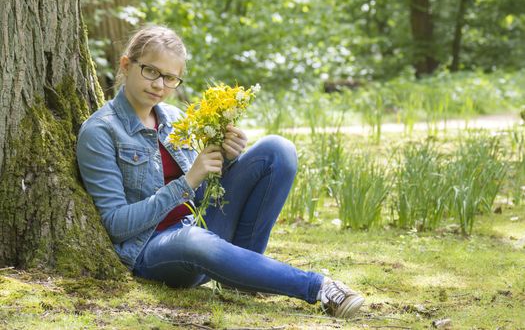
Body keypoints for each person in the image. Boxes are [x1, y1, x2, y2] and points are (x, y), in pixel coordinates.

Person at [76, 24, 364, 318]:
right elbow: (115, 224)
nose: (159, 85)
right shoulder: (101, 131)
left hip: (199, 228)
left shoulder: (175, 117)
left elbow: (203, 190)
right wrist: (188, 181)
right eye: (150, 71)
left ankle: (240, 277)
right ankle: (319, 288)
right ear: (127, 64)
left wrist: (225, 158)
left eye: (170, 78)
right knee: (193, 239)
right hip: (151, 248)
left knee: (278, 150)